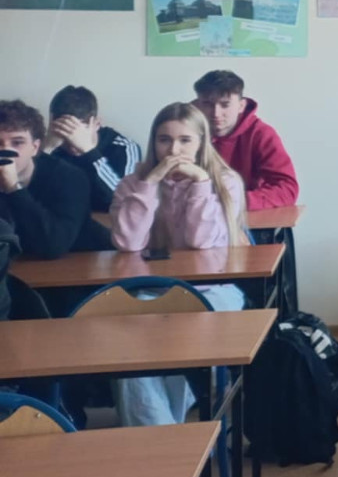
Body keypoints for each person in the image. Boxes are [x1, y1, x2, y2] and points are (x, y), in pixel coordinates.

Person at [108, 103, 249, 426]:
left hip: (211, 290)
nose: (173, 150)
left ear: (201, 143)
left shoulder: (224, 181)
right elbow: (128, 242)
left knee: (178, 341)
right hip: (150, 290)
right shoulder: (132, 183)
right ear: (153, 142)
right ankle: (160, 438)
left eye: (185, 140)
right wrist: (149, 184)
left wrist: (200, 184)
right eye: (164, 140)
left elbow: (201, 241)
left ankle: (162, 439)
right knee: (126, 346)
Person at [0, 99, 113, 257]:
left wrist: (13, 188)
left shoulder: (70, 178)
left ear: (35, 147)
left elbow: (52, 246)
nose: (5, 151)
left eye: (17, 143)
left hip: (81, 263)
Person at [192, 70, 299, 210]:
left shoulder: (261, 134)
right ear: (197, 105)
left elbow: (287, 189)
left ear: (241, 106)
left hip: (245, 215)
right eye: (207, 104)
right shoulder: (182, 130)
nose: (216, 113)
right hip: (194, 211)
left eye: (225, 105)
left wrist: (232, 201)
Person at [41, 85, 142, 212]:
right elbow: (26, 197)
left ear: (97, 124)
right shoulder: (48, 145)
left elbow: (126, 202)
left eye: (77, 134)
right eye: (65, 138)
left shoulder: (124, 148)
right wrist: (46, 149)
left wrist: (89, 152)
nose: (72, 145)